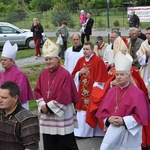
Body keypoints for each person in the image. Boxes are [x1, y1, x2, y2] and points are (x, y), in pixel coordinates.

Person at [96, 51, 150, 150]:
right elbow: (103, 112)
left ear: (128, 76)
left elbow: (142, 115)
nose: (119, 77)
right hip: (113, 133)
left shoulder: (138, 94)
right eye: (117, 74)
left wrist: (124, 121)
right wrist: (108, 119)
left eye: (122, 74)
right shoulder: (111, 91)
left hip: (130, 134)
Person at [34, 39, 79, 150]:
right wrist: (42, 105)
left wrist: (48, 107)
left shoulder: (65, 74)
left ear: (57, 59)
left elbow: (65, 94)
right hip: (47, 116)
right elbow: (37, 91)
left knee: (65, 144)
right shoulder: (42, 74)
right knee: (49, 144)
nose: (48, 62)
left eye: (50, 59)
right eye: (46, 59)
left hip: (61, 115)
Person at [72, 41, 108, 137]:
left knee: (93, 110)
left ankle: (95, 132)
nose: (85, 51)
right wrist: (79, 73)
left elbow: (103, 77)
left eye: (87, 49)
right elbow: (73, 75)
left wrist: (96, 88)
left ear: (92, 50)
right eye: (84, 49)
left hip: (93, 91)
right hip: (82, 92)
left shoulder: (98, 61)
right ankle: (81, 133)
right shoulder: (80, 60)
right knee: (82, 112)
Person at [0, 81, 39, 149]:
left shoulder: (27, 119)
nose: (0, 100)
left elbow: (31, 147)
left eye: (4, 98)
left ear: (15, 98)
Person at [0, 40, 34, 109]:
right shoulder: (3, 73)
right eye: (1, 60)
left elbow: (19, 90)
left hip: (17, 105)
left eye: (5, 60)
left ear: (12, 61)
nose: (2, 62)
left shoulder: (19, 74)